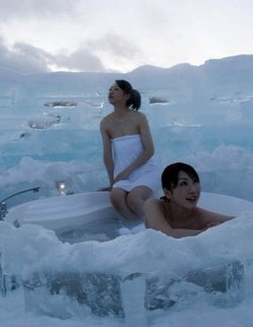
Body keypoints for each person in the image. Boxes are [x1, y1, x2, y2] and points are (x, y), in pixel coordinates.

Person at [100, 79, 161, 220]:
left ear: (126, 96)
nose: (111, 92)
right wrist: (112, 183)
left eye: (116, 89)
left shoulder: (139, 118)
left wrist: (126, 172)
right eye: (110, 89)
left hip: (146, 171)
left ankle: (159, 225)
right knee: (115, 197)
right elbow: (107, 156)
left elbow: (149, 150)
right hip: (123, 177)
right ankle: (136, 228)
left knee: (134, 199)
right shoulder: (105, 123)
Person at [144, 162, 234, 238]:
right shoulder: (153, 205)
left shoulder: (199, 216)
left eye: (195, 181)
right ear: (168, 193)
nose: (193, 190)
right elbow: (165, 235)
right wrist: (204, 232)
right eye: (184, 183)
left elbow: (238, 222)